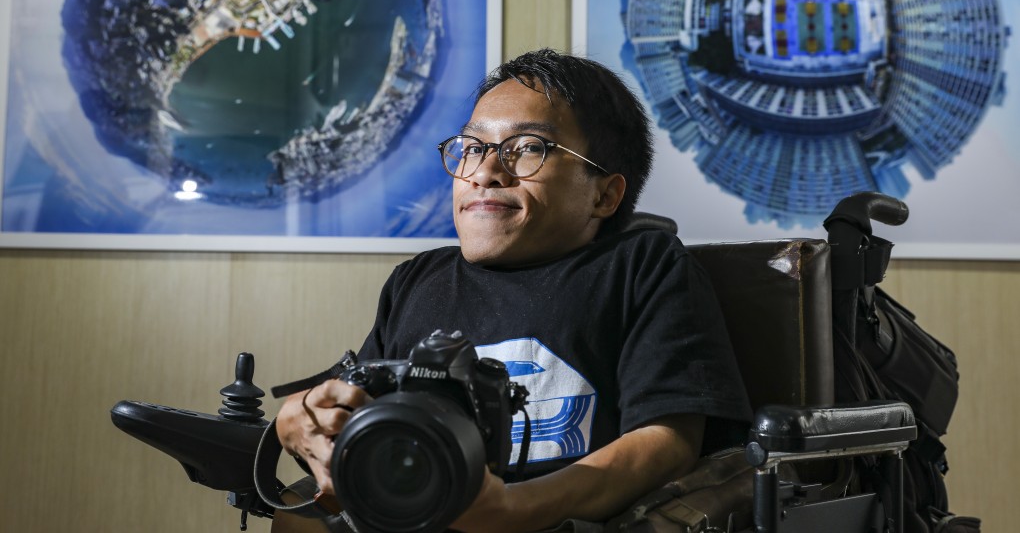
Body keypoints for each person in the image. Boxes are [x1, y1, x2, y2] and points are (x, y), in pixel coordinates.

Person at [273, 49, 751, 532]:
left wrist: (510, 509)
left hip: (554, 518)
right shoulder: (417, 280)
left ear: (603, 194)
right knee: (298, 519)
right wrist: (303, 419)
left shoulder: (642, 266)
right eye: (473, 147)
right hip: (417, 506)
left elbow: (668, 440)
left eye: (527, 147)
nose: (485, 170)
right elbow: (356, 404)